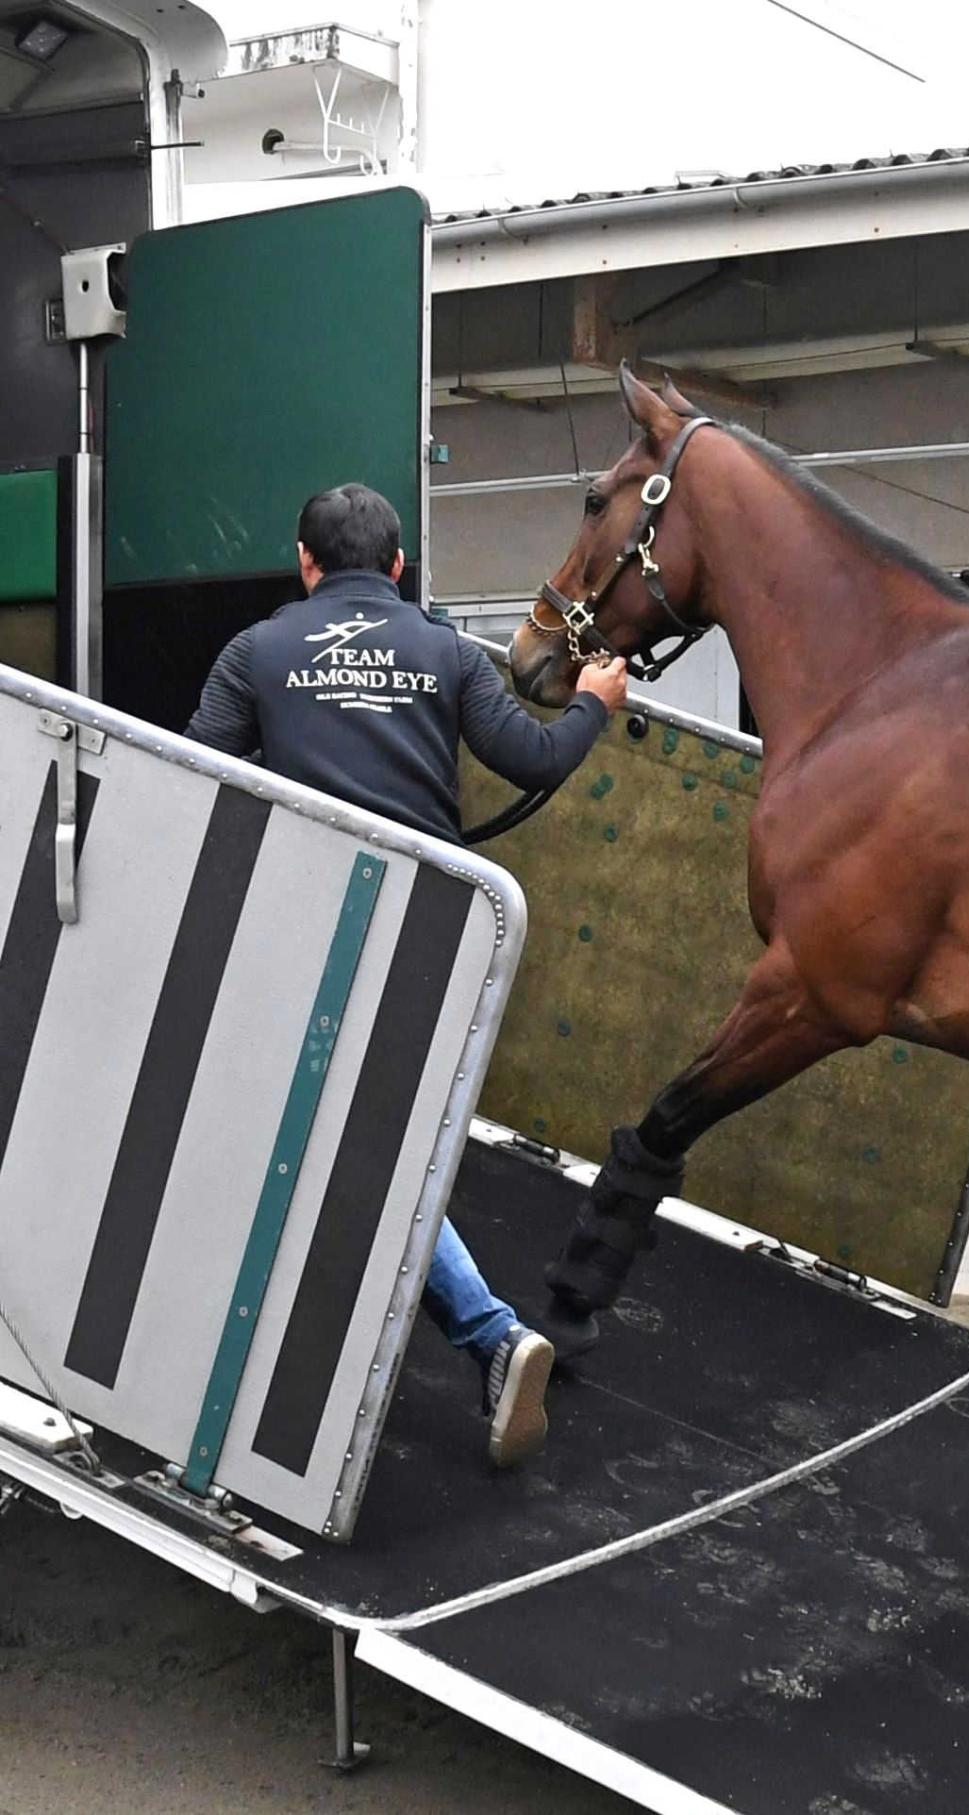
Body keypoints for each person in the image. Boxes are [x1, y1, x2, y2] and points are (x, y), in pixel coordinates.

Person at [187, 482, 628, 1467]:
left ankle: (488, 1335)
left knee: (349, 1149)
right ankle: (483, 1337)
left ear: (303, 562)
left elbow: (193, 776)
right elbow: (535, 757)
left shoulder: (256, 651)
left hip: (313, 928)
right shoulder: (441, 651)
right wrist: (595, 702)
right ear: (396, 569)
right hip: (439, 933)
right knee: (368, 1143)